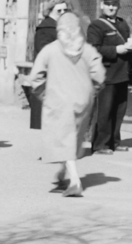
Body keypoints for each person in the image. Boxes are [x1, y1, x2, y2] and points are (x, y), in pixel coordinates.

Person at [29, 12, 104, 197]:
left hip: (59, 101)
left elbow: (35, 78)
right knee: (73, 139)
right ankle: (62, 174)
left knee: (63, 138)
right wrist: (92, 91)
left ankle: (75, 181)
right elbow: (99, 75)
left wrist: (43, 95)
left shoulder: (50, 50)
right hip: (84, 100)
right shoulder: (87, 50)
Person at [86, 0, 132, 153]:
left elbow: (127, 47)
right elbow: (93, 49)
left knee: (119, 111)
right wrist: (117, 49)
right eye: (108, 4)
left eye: (114, 4)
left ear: (119, 6)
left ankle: (114, 142)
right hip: (106, 74)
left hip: (122, 73)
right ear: (102, 5)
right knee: (104, 111)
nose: (111, 7)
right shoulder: (96, 25)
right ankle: (100, 145)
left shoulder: (123, 24)